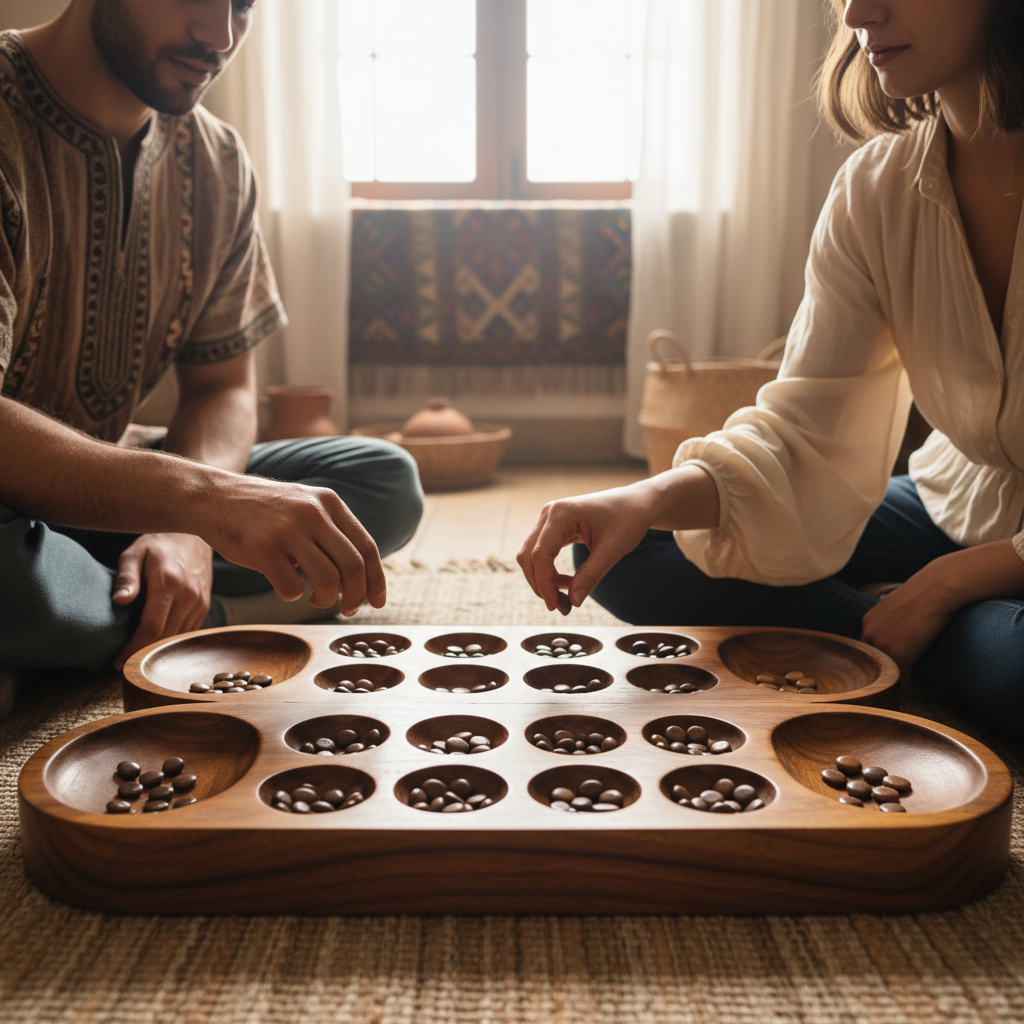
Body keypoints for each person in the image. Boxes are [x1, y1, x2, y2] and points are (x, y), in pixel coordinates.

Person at [518, 0, 1024, 742]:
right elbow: (806, 431)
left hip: (989, 554)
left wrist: (947, 584)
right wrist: (645, 495)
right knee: (626, 544)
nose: (857, 11)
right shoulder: (876, 188)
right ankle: (923, 636)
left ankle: (924, 628)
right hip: (960, 499)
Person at [0, 0, 423, 715]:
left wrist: (188, 526)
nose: (220, 35)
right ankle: (166, 623)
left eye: (242, 3)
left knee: (380, 482)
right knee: (13, 585)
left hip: (114, 492)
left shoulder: (217, 159)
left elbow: (224, 385)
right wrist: (202, 504)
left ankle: (76, 632)